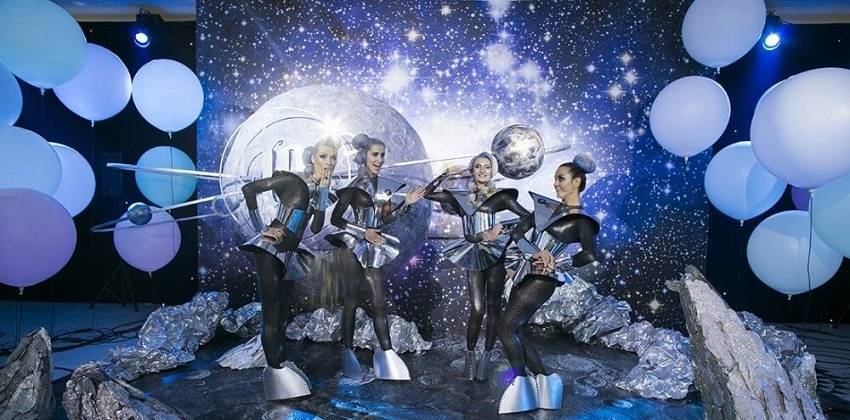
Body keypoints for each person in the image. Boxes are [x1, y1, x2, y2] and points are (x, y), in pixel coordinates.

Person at [496, 154, 600, 414]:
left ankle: (521, 385)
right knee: (517, 330)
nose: (556, 183)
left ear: (577, 182)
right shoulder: (546, 208)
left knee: (505, 329)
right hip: (523, 274)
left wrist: (559, 264)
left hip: (542, 280)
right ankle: (546, 382)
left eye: (561, 179)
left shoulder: (582, 221)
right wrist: (535, 252)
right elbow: (517, 233)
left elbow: (589, 254)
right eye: (555, 178)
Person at [238, 137, 338, 400]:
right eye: (323, 156)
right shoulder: (292, 181)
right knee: (272, 314)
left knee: (282, 313)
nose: (328, 162)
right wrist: (260, 228)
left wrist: (324, 192)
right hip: (270, 251)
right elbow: (249, 189)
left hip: (290, 254)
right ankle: (275, 371)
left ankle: (279, 364)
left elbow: (315, 227)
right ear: (312, 158)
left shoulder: (322, 190)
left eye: (333, 157)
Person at [422, 152, 533, 381]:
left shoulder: (500, 197)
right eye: (478, 167)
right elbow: (427, 193)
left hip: (496, 257)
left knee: (494, 308)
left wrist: (505, 228)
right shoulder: (462, 197)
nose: (482, 171)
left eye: (487, 167)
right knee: (477, 309)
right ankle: (470, 355)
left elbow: (529, 217)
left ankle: (486, 358)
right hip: (473, 255)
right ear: (471, 170)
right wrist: (446, 174)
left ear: (492, 171)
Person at [326, 133, 426, 381]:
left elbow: (385, 220)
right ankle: (347, 355)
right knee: (351, 301)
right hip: (352, 247)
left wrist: (407, 203)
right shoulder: (354, 186)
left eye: (382, 155)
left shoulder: (384, 186)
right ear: (364, 156)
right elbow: (336, 219)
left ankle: (387, 354)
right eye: (375, 154)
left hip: (373, 247)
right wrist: (364, 232)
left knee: (379, 301)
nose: (379, 159)